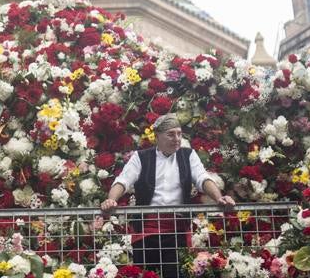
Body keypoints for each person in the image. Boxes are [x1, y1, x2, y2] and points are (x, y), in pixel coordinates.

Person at [99, 114, 235, 278]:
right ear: (157, 136)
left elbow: (202, 178)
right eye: (171, 134)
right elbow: (123, 181)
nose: (177, 138)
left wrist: (218, 197)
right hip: (146, 230)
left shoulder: (188, 155)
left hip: (177, 231)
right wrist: (111, 199)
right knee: (147, 275)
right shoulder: (141, 157)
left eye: (179, 133)